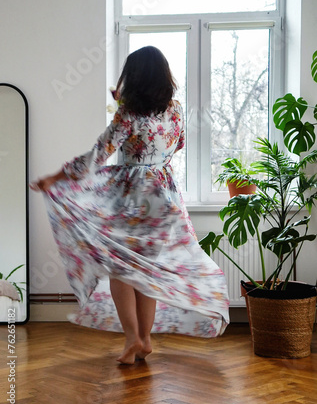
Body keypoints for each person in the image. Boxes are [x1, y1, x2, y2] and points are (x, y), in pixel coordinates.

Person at [31, 46, 229, 364]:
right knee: (146, 271)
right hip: (164, 199)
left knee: (120, 269)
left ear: (133, 78)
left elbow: (98, 153)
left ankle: (131, 339)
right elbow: (175, 144)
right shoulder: (175, 110)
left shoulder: (129, 114)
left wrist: (54, 178)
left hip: (134, 199)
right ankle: (146, 339)